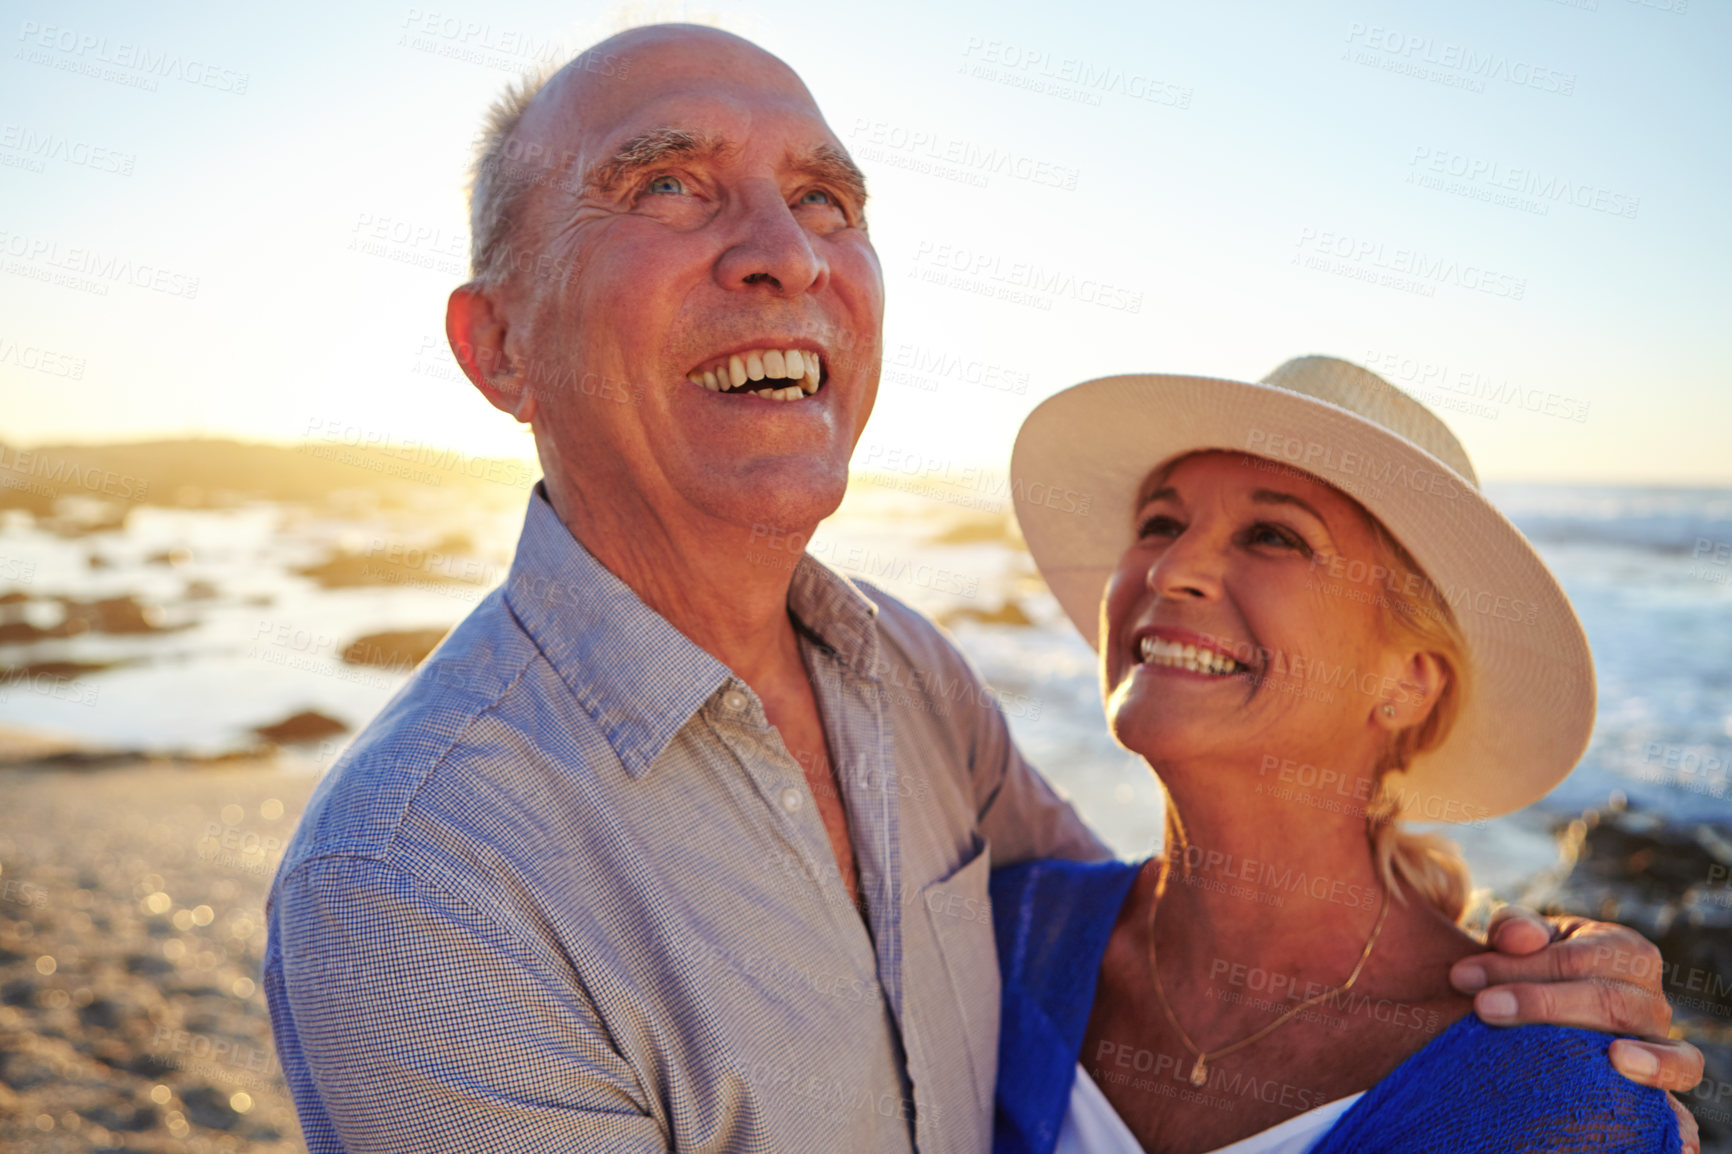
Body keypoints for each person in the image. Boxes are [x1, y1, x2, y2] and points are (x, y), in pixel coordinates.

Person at [262, 25, 1702, 1153]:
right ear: (498, 344)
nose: (785, 251)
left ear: (1417, 675)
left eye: (825, 198)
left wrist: (1551, 980)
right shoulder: (416, 879)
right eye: (666, 186)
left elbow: (1172, 923)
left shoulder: (910, 683)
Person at [992, 356, 1693, 1153]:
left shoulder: (1557, 1103)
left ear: (1409, 682)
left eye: (1272, 535)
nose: (1171, 568)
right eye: (1160, 523)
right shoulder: (1004, 936)